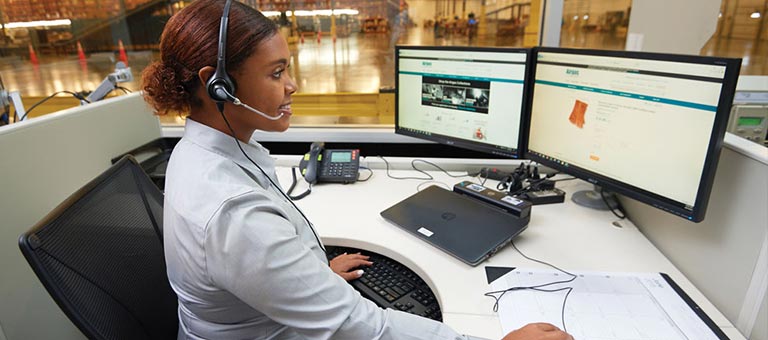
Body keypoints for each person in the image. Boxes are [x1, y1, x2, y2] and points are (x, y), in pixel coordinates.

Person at [141, 1, 574, 339]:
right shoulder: (233, 212)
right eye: (276, 73)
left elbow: (250, 268)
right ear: (218, 85)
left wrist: (303, 281)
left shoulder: (202, 150)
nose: (292, 85)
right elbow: (356, 327)